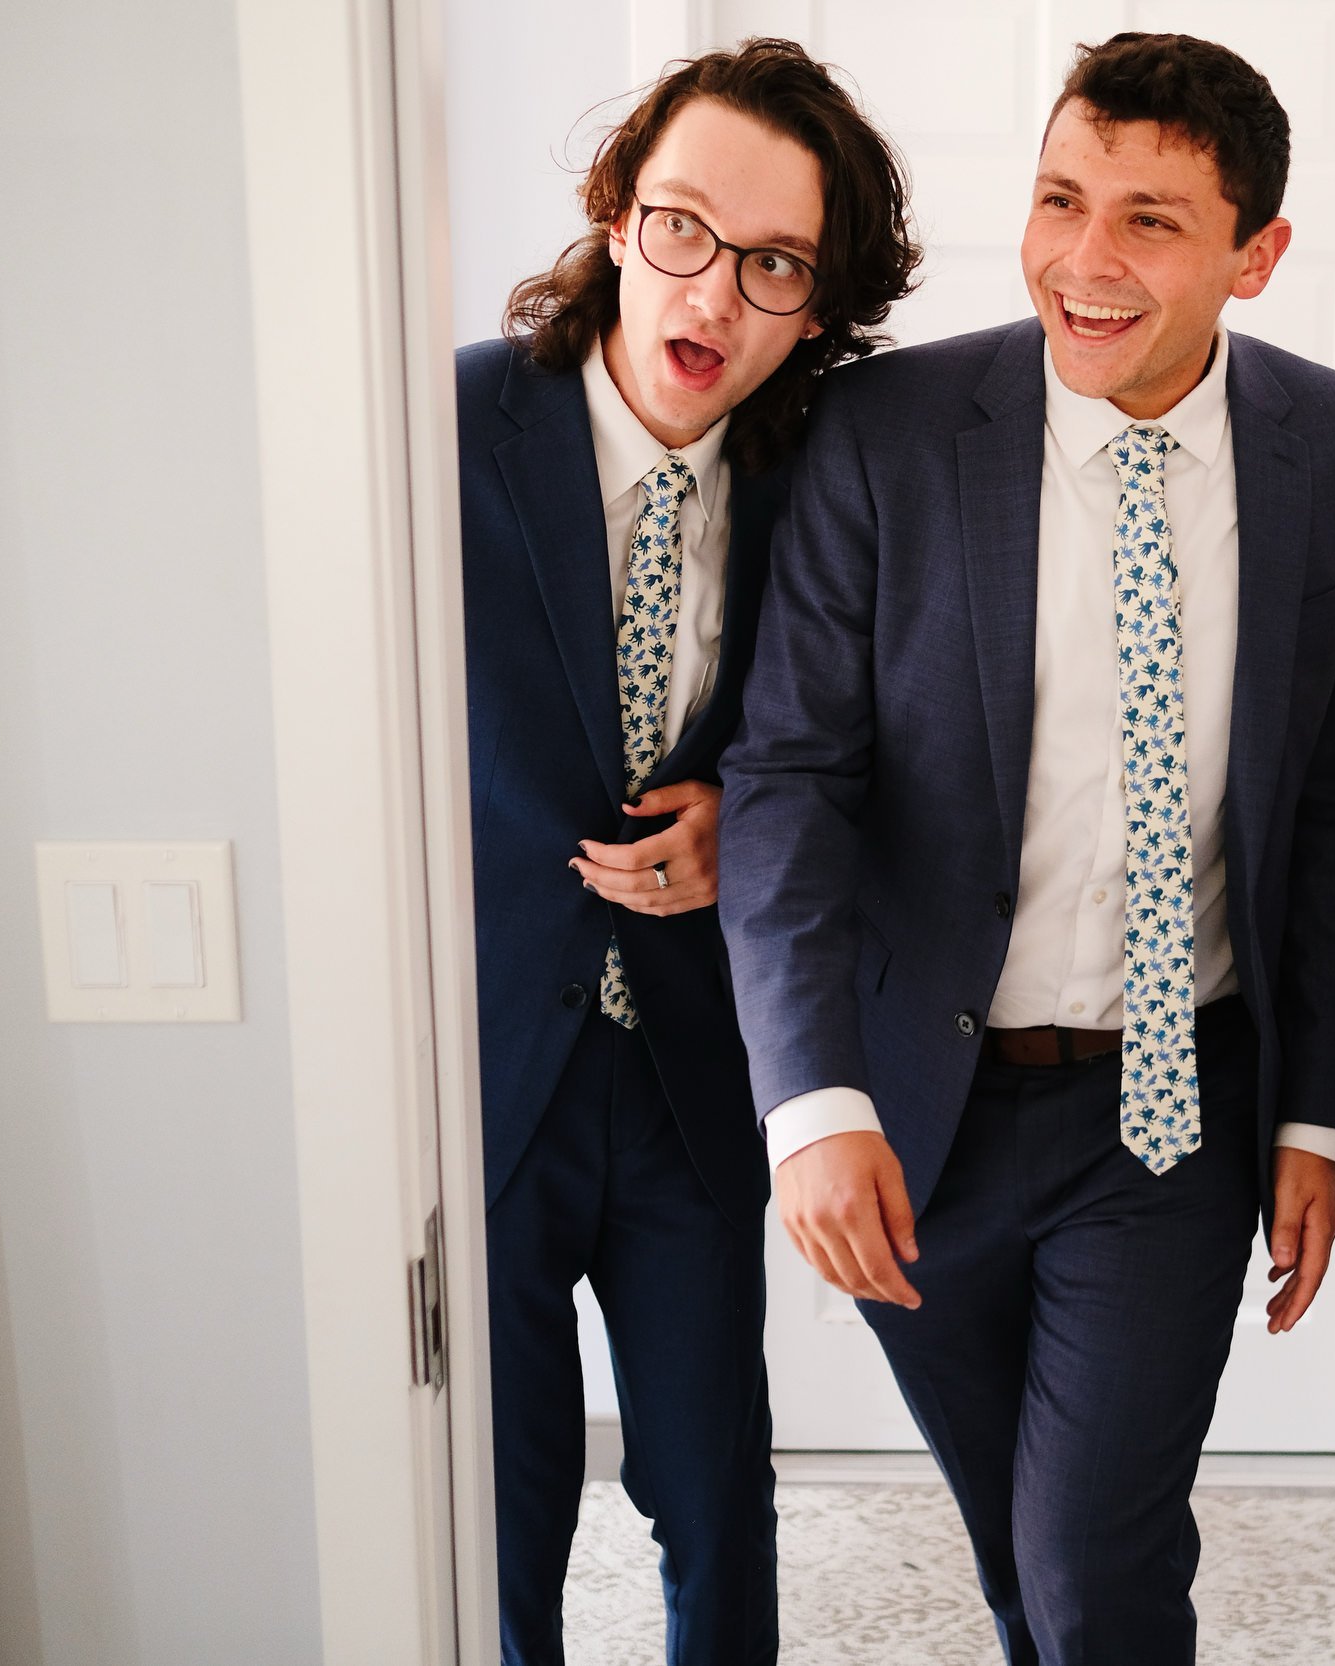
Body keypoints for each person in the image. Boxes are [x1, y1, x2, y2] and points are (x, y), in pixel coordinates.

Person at [720, 32, 1335, 1664]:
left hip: (1173, 1110)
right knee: (1023, 1560)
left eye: (1152, 221)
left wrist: (1321, 1111)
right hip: (919, 1114)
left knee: (1095, 1566)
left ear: (1258, 250)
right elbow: (789, 777)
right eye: (1058, 200)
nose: (1084, 263)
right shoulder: (886, 431)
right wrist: (811, 1102)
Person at [453, 39, 916, 1665]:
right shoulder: (442, 427)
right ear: (617, 211)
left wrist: (760, 824)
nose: (711, 294)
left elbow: (888, 756)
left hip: (698, 1072)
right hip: (482, 1068)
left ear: (819, 302)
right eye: (681, 228)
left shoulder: (834, 479)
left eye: (776, 262)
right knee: (485, 1507)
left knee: (717, 1487)